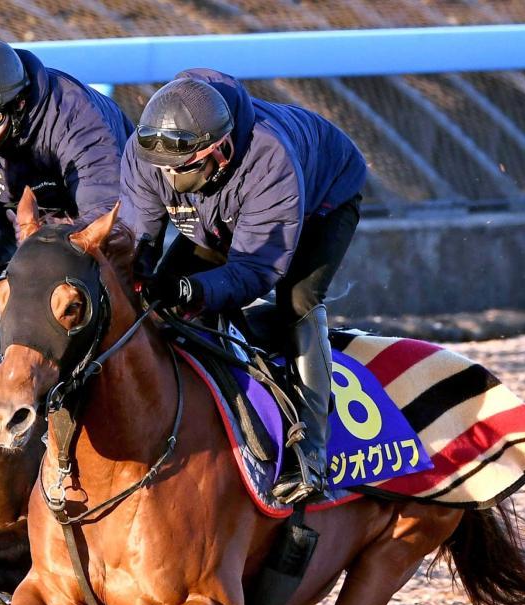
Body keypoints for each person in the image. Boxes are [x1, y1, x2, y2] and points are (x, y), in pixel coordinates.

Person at [119, 69, 366, 504]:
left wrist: (192, 291)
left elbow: (254, 271)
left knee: (297, 299)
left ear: (222, 148)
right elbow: (137, 238)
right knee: (163, 302)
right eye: (163, 169)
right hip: (224, 217)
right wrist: (136, 279)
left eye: (183, 169)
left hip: (319, 203)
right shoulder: (144, 151)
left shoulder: (270, 159)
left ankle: (310, 450)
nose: (171, 180)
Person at [0, 20, 133, 261]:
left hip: (104, 203)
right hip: (17, 204)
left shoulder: (72, 116)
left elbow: (102, 204)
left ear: (18, 104)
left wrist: (51, 245)